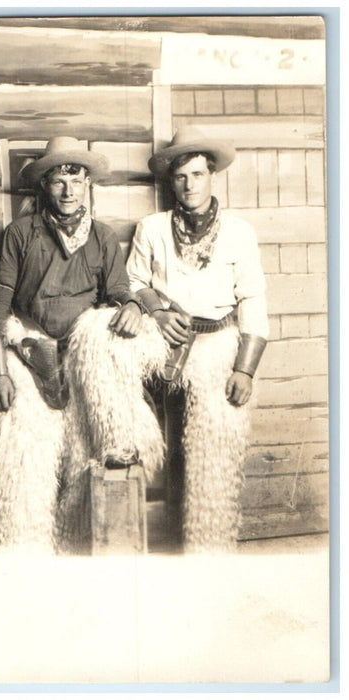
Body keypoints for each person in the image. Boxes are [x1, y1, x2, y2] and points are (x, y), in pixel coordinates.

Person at [0, 136, 166, 553]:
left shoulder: (102, 237)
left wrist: (132, 306)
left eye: (76, 180)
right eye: (58, 180)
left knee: (94, 455)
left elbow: (119, 289)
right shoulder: (20, 235)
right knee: (21, 462)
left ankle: (88, 549)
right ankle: (21, 554)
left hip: (82, 361)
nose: (68, 190)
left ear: (87, 185)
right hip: (29, 355)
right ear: (44, 185)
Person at [126, 125, 269, 552]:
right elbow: (132, 282)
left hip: (219, 347)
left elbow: (253, 299)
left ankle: (211, 544)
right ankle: (171, 545)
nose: (189, 185)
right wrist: (156, 310)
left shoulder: (239, 231)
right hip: (167, 349)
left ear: (212, 176)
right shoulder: (151, 227)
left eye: (197, 175)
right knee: (171, 453)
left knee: (213, 454)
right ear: (171, 181)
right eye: (181, 177)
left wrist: (244, 369)